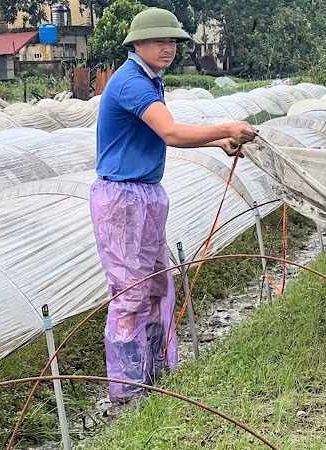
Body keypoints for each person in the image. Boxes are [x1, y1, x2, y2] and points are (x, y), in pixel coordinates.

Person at [91, 7, 256, 403]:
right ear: (137, 44)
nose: (169, 48)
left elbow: (161, 133)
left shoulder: (152, 79)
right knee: (130, 293)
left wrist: (217, 142)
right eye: (161, 41)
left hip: (146, 194)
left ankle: (155, 370)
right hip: (123, 199)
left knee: (156, 287)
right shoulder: (131, 82)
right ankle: (130, 390)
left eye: (173, 42)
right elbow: (169, 132)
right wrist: (227, 128)